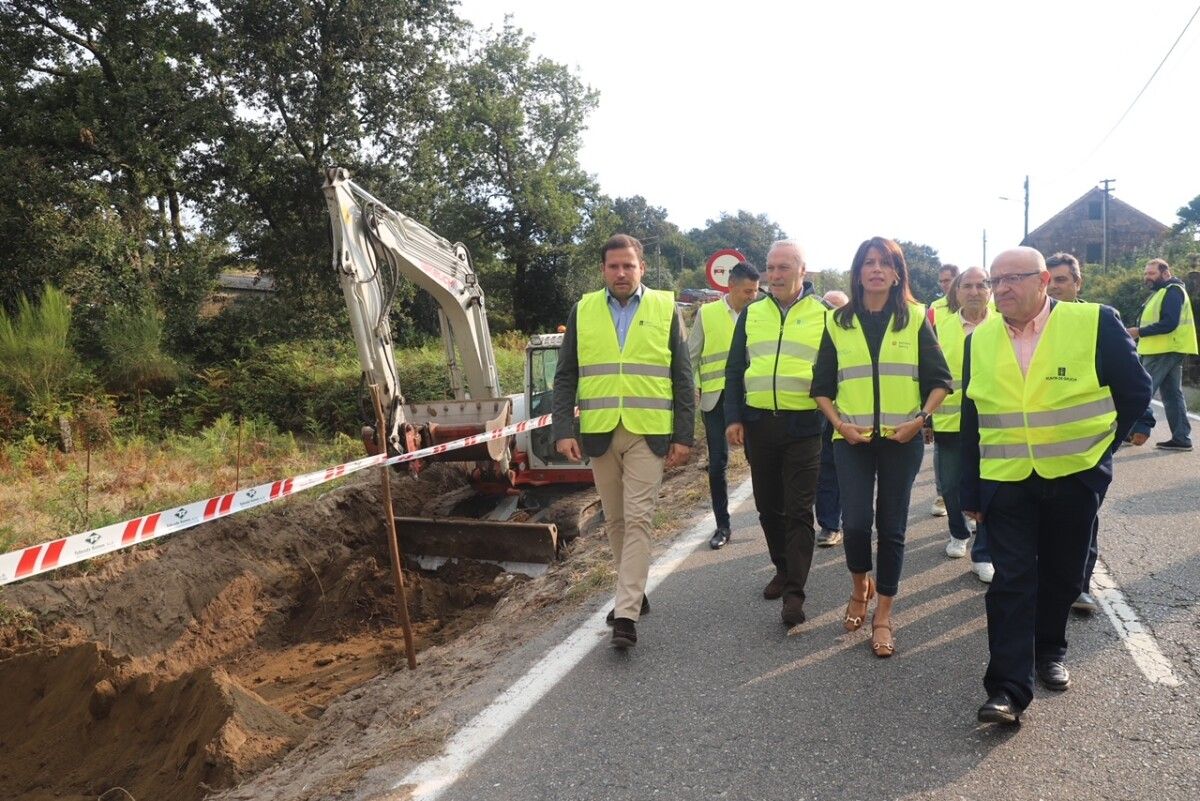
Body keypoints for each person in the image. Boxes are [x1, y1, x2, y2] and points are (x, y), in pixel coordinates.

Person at [962, 247, 1150, 725]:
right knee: (1011, 581)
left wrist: (1099, 456)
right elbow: (972, 419)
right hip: (1006, 482)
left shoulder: (1094, 323)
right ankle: (1007, 689)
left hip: (1074, 477)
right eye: (994, 281)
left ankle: (1049, 651)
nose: (1000, 289)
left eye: (1013, 279)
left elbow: (1135, 390)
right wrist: (970, 490)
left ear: (1044, 280)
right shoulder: (979, 339)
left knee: (1063, 576)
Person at [553, 234, 695, 650]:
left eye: (628, 266)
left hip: (647, 433)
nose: (621, 273)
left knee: (638, 519)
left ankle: (626, 612)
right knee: (615, 521)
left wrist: (683, 435)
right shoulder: (583, 310)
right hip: (599, 432)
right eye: (613, 266)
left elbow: (682, 376)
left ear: (642, 268)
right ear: (603, 270)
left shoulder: (664, 308)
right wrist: (563, 430)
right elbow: (566, 376)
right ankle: (634, 591)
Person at [812, 237, 951, 658]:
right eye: (868, 263)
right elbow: (821, 386)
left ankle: (884, 614)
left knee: (892, 527)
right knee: (854, 524)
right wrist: (839, 424)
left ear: (896, 274)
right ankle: (860, 588)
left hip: (901, 441)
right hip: (851, 440)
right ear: (857, 273)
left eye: (884, 263)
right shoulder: (837, 321)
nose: (875, 270)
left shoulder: (913, 318)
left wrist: (920, 422)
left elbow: (940, 380)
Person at [725, 240, 829, 626]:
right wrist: (734, 417)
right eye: (772, 267)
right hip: (759, 424)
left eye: (785, 267)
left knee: (800, 510)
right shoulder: (752, 313)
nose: (776, 274)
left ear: (803, 270)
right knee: (768, 507)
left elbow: (831, 373)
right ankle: (783, 568)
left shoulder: (824, 315)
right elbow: (735, 370)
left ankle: (794, 595)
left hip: (804, 426)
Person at [1045, 251, 1110, 614]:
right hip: (1036, 448)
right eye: (1049, 280)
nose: (1054, 287)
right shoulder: (1029, 326)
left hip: (1086, 450)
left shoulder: (1096, 322)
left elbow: (1130, 381)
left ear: (1077, 283)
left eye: (1062, 280)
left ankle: (1079, 587)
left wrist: (1114, 438)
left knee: (1083, 521)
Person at [688, 262, 761, 549]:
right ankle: (722, 525)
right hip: (716, 399)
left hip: (752, 397)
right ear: (730, 286)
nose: (752, 296)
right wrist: (690, 389)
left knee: (760, 461)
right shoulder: (707, 314)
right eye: (747, 291)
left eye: (756, 291)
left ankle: (771, 517)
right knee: (718, 463)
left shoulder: (760, 314)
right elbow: (691, 357)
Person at [933, 268, 993, 582]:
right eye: (966, 286)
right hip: (951, 422)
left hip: (993, 423)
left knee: (989, 485)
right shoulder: (940, 328)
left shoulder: (1004, 324)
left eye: (981, 285)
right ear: (956, 293)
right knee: (951, 485)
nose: (973, 291)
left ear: (990, 289)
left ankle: (984, 551)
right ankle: (959, 532)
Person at [1126, 258, 1197, 451]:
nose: (1147, 277)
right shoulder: (1163, 292)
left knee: (1141, 389)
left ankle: (1133, 430)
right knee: (1172, 395)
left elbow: (1169, 323)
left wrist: (1138, 331)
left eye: (1151, 273)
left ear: (1165, 273)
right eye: (1145, 273)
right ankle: (1181, 438)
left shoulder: (1172, 291)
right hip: (1167, 349)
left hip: (1163, 350)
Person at [815, 290, 849, 547]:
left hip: (850, 415)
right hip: (820, 411)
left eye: (837, 309)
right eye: (828, 307)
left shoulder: (850, 332)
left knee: (849, 472)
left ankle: (854, 522)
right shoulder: (815, 327)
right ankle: (829, 525)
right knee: (825, 469)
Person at [929, 268, 960, 518]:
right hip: (945, 401)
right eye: (941, 282)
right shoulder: (935, 309)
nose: (944, 286)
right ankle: (942, 496)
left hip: (981, 407)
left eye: (948, 281)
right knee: (943, 455)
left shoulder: (993, 309)